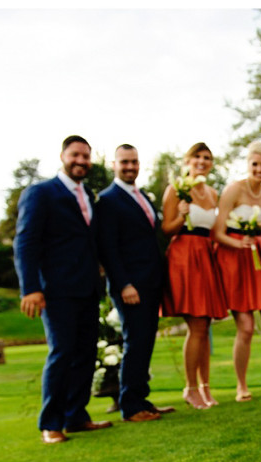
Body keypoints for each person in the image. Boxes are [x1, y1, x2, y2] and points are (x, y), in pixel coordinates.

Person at [13, 135, 110, 444]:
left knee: (85, 354)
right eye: (75, 155)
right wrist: (31, 288)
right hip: (56, 290)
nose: (81, 161)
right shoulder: (41, 193)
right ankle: (51, 423)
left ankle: (77, 416)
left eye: (86, 156)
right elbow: (25, 242)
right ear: (62, 156)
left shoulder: (88, 196)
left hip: (87, 288)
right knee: (62, 353)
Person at [96, 144, 175, 421]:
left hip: (151, 282)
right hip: (130, 286)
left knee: (145, 342)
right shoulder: (108, 200)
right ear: (115, 165)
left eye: (134, 162)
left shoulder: (142, 196)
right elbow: (108, 248)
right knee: (135, 342)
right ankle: (130, 406)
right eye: (125, 162)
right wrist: (123, 284)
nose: (130, 167)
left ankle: (141, 398)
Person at [161, 142, 229, 409]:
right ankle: (190, 388)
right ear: (187, 161)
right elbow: (167, 228)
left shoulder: (212, 193)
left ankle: (205, 387)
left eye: (207, 158)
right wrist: (180, 216)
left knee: (205, 325)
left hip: (206, 257)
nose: (202, 161)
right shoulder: (176, 190)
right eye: (197, 157)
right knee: (197, 326)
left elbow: (213, 229)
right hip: (184, 257)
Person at [213, 141, 261, 401]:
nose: (259, 169)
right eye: (255, 163)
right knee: (246, 326)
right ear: (248, 163)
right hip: (235, 256)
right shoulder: (233, 189)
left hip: (259, 257)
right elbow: (217, 232)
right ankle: (241, 386)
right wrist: (238, 242)